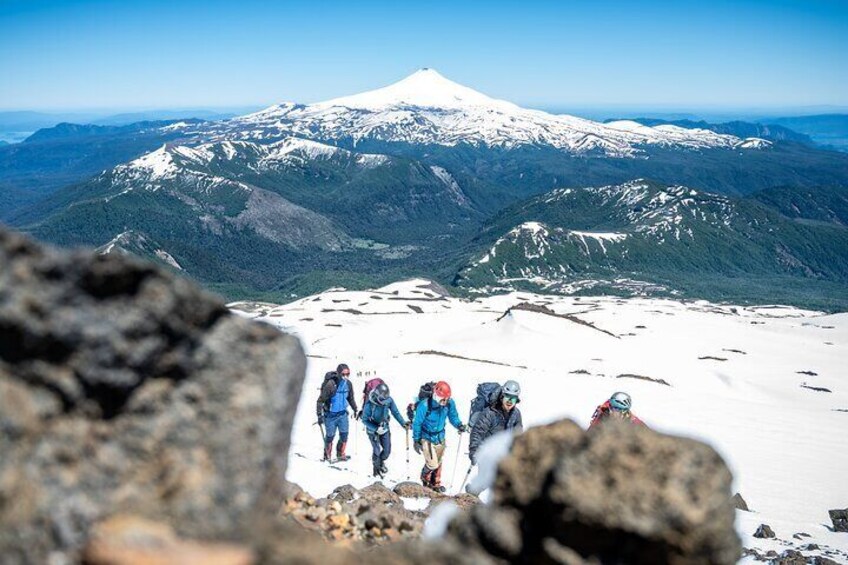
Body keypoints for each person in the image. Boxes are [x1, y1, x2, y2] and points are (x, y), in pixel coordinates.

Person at [412, 381, 466, 492]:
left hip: (440, 436)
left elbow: (453, 416)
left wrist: (459, 425)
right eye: (443, 399)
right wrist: (416, 440)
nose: (445, 401)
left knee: (439, 462)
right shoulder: (424, 406)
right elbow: (417, 423)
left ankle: (435, 483)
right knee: (432, 464)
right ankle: (424, 478)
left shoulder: (449, 403)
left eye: (447, 398)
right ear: (436, 395)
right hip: (426, 437)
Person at [468, 380, 523, 465]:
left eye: (513, 398)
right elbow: (478, 432)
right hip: (487, 456)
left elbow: (518, 435)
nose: (510, 401)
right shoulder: (489, 412)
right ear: (502, 396)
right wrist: (474, 451)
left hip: (505, 458)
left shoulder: (516, 414)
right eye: (508, 396)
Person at [362, 382, 409, 477]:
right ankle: (376, 469)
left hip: (384, 428)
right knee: (376, 450)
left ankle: (381, 462)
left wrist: (403, 424)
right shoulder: (369, 405)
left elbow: (395, 412)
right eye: (382, 399)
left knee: (387, 451)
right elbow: (364, 420)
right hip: (373, 430)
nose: (384, 402)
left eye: (385, 399)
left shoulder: (389, 400)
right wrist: (375, 428)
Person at [316, 363, 358, 462]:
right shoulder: (331, 384)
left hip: (343, 414)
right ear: (338, 373)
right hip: (330, 415)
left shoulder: (348, 384)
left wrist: (355, 409)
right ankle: (327, 456)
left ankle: (340, 454)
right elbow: (320, 400)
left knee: (344, 435)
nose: (345, 377)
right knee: (330, 436)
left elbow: (350, 398)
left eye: (348, 374)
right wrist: (319, 415)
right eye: (343, 374)